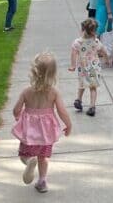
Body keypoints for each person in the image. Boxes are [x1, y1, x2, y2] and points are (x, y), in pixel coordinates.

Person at [11, 53, 72, 193]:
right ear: (53, 74)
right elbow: (62, 111)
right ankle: (42, 181)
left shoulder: (26, 91)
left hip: (29, 132)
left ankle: (28, 161)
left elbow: (16, 109)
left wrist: (17, 116)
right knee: (43, 157)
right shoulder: (54, 93)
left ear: (33, 72)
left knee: (25, 154)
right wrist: (69, 125)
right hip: (46, 133)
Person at [68, 19, 108, 116]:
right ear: (95, 30)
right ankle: (92, 106)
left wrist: (73, 65)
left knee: (82, 84)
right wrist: (107, 59)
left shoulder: (78, 42)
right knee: (92, 87)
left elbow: (73, 54)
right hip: (94, 68)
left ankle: (78, 100)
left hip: (83, 67)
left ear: (83, 29)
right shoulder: (96, 41)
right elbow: (104, 51)